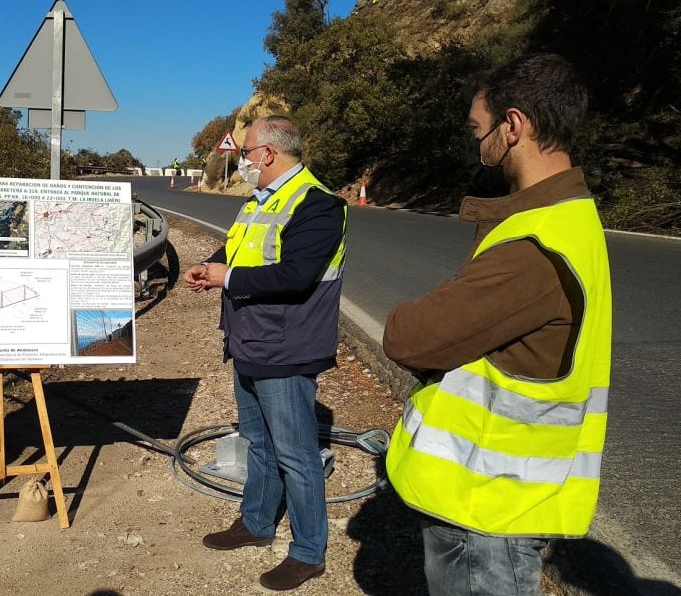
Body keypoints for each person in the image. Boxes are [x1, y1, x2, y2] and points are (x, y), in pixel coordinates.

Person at [383, 53, 611, 596]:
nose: (476, 142)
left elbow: (408, 337)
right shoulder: (569, 218)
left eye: (478, 128)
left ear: (514, 126)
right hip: (504, 503)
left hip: (487, 512)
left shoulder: (535, 245)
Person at [185, 115, 347, 591]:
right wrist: (211, 265)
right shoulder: (261, 202)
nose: (243, 163)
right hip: (250, 341)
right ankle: (256, 523)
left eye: (247, 154)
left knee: (296, 454)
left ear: (269, 154)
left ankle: (308, 551)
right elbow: (238, 250)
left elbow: (296, 276)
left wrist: (226, 278)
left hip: (287, 346)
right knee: (257, 442)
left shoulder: (318, 205)